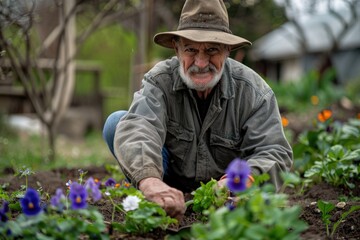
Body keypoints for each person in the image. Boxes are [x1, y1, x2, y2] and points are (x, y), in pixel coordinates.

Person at [103, 0, 293, 219]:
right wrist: (151, 182)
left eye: (212, 50)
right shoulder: (160, 81)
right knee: (117, 123)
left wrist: (239, 182)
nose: (201, 63)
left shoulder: (253, 92)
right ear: (177, 49)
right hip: (169, 183)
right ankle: (161, 202)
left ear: (227, 50)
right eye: (191, 49)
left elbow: (274, 151)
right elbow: (140, 127)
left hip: (228, 195)